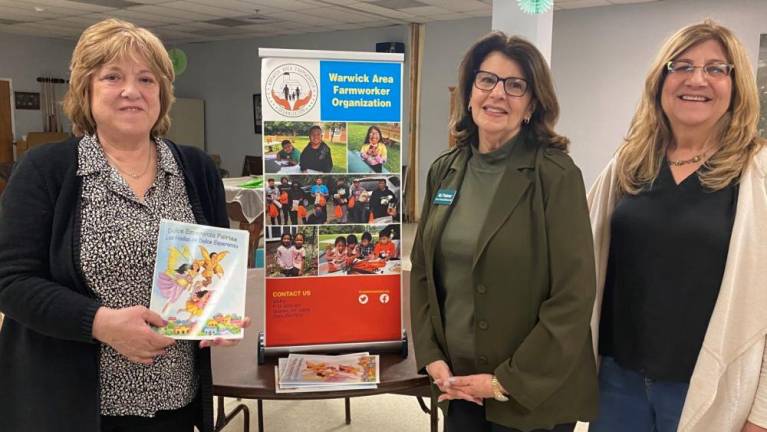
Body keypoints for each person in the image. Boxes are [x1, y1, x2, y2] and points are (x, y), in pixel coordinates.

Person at [0, 18, 249, 432]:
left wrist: (217, 315)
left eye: (147, 79)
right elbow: (10, 279)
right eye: (113, 76)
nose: (132, 91)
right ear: (87, 89)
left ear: (162, 94)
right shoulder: (46, 169)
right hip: (73, 407)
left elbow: (215, 268)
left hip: (176, 399)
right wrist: (99, 323)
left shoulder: (196, 168)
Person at [410, 32, 597, 432]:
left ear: (532, 103)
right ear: (470, 91)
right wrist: (431, 354)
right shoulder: (445, 169)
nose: (497, 94)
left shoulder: (556, 176)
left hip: (530, 394)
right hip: (458, 385)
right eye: (487, 80)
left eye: (515, 85)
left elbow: (573, 296)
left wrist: (504, 381)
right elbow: (423, 270)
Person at [588, 20, 767, 432]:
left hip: (709, 390)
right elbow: (579, 253)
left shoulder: (756, 172)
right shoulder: (630, 162)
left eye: (716, 68)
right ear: (660, 80)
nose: (697, 79)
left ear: (735, 85)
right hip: (619, 380)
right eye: (681, 66)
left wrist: (761, 414)